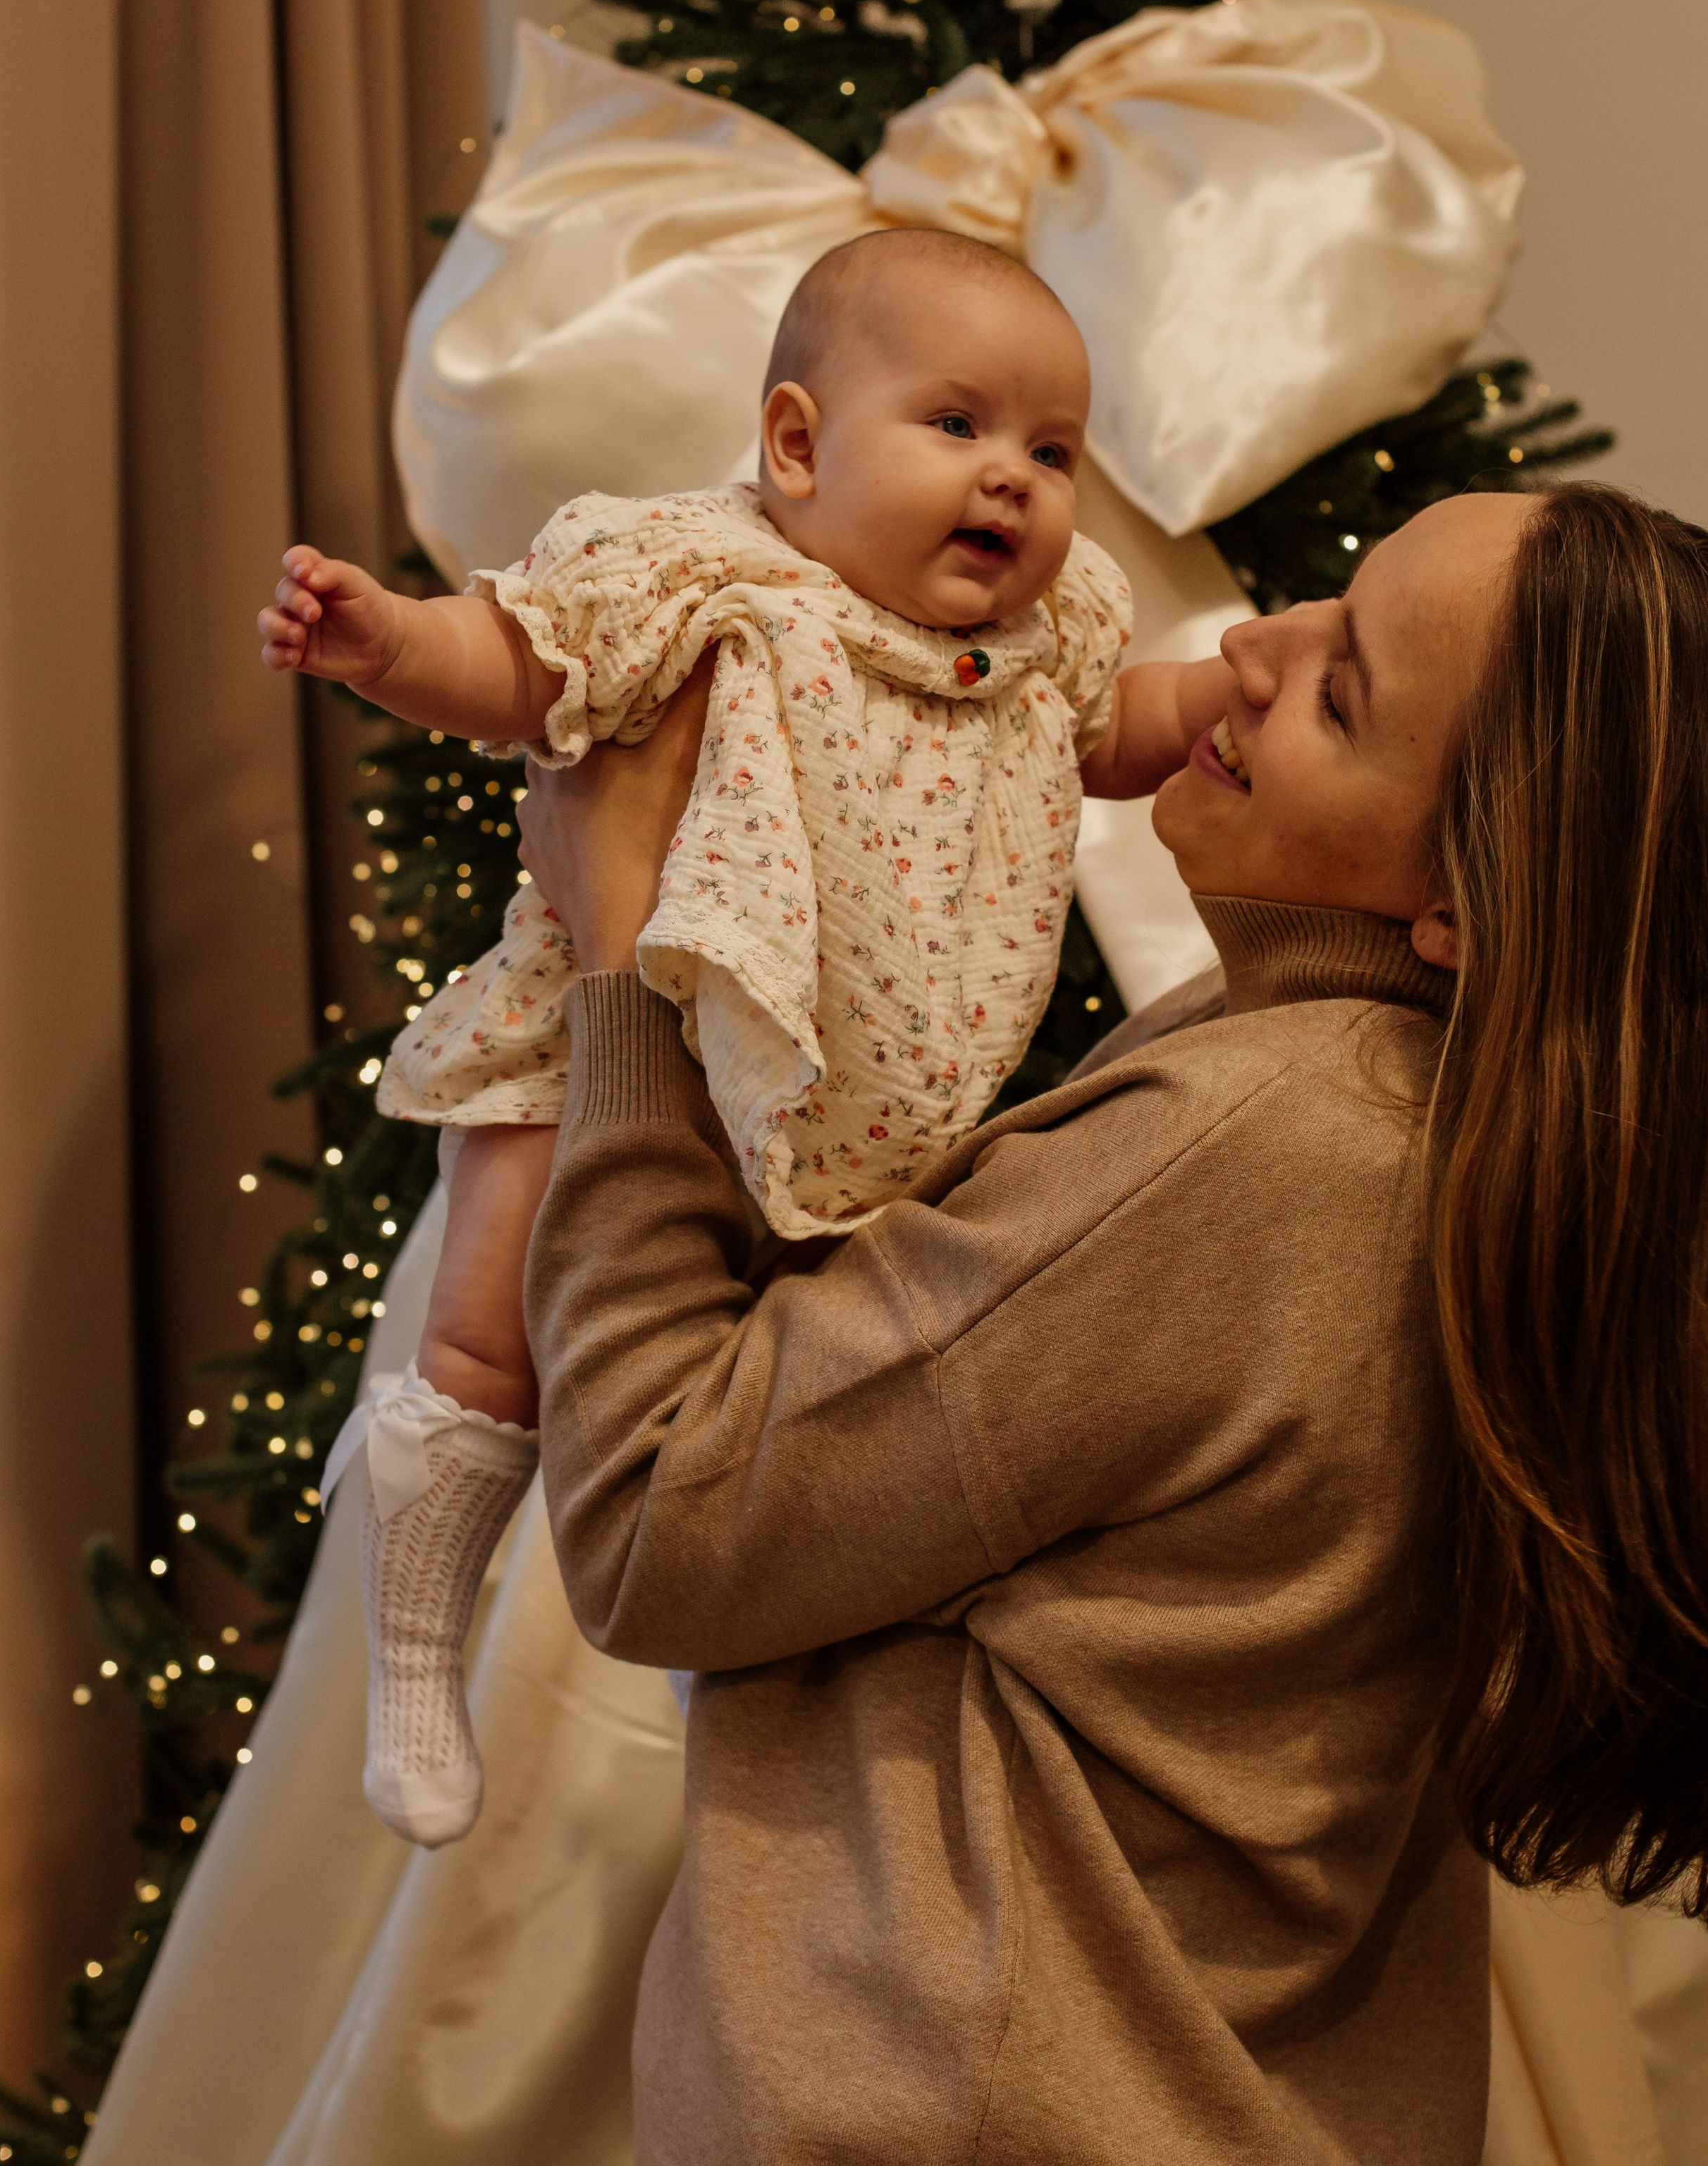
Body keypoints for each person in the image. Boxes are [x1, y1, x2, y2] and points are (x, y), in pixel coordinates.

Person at [510, 481, 1708, 2163]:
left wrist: (625, 966)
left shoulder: (1273, 1140)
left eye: (1340, 694)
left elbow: (655, 1515)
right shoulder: (1458, 1133)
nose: (1250, 647)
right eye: (1327, 604)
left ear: (1467, 907)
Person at [257, 226, 1234, 1843]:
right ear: (794, 443)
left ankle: (745, 1678)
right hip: (606, 1036)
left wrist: (1212, 705)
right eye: (956, 424)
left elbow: (1114, 728)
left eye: (1050, 450)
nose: (1009, 475)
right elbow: (522, 669)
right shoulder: (698, 576)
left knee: (762, 1418)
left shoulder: (1036, 643)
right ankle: (414, 1648)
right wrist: (390, 646)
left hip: (850, 1101)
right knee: (488, 1337)